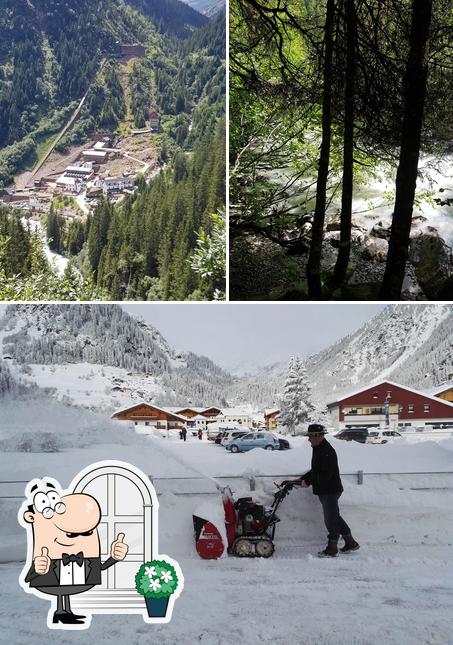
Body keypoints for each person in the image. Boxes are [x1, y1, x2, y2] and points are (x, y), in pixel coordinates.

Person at [21, 479, 129, 626]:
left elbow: (100, 567)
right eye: (71, 534)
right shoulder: (47, 554)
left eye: (88, 533)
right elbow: (29, 578)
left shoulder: (86, 557)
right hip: (53, 575)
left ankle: (64, 612)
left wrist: (115, 557)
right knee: (61, 590)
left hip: (75, 576)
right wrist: (38, 569)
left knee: (65, 590)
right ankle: (60, 612)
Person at [297, 423, 359, 557]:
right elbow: (316, 471)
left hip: (330, 490)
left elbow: (325, 474)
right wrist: (302, 478)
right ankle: (351, 542)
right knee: (334, 516)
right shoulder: (319, 448)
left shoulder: (326, 452)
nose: (308, 440)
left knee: (330, 519)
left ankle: (332, 548)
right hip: (326, 490)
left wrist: (307, 482)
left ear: (318, 436)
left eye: (310, 437)